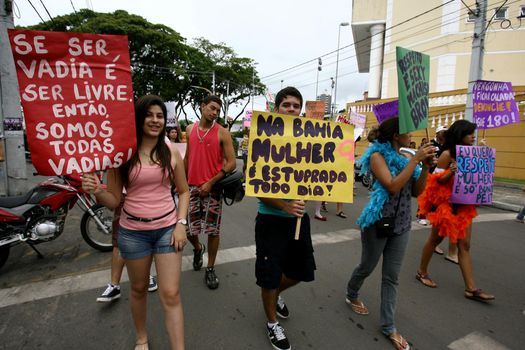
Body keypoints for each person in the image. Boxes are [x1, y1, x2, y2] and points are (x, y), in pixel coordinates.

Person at [82, 95, 189, 350]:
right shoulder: (121, 154)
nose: (155, 120)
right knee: (139, 289)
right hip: (133, 233)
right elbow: (114, 200)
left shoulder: (170, 149)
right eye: (149, 115)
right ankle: (142, 337)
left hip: (167, 230)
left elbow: (184, 191)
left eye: (160, 116)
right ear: (138, 118)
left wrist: (181, 223)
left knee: (171, 294)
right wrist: (96, 189)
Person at [346, 117, 435, 350]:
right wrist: (416, 159)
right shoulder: (377, 157)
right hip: (378, 223)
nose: (412, 137)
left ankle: (389, 326)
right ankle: (351, 292)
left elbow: (416, 191)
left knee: (391, 277)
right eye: (408, 133)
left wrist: (425, 167)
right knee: (367, 266)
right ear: (396, 136)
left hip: (402, 226)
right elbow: (393, 186)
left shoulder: (406, 158)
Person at [254, 87, 316, 350]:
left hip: (299, 219)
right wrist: (285, 206)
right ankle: (271, 324)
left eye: (295, 106)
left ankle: (275, 294)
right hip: (271, 221)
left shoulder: (310, 142)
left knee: (302, 271)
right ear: (276, 108)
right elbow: (258, 188)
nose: (291, 109)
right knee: (269, 275)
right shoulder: (263, 139)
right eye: (286, 105)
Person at [416, 120, 495, 302]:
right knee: (435, 239)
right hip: (447, 206)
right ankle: (422, 272)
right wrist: (451, 172)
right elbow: (435, 182)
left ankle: (471, 288)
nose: (473, 137)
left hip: (464, 205)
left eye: (474, 134)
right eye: (470, 134)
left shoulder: (471, 154)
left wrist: (484, 154)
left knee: (465, 245)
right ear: (460, 135)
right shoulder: (447, 154)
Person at [184, 95, 236, 289]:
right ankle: (198, 248)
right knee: (189, 229)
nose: (214, 113)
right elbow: (188, 157)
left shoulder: (222, 133)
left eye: (218, 110)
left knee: (213, 231)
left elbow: (231, 163)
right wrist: (180, 182)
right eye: (212, 108)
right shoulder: (190, 129)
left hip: (213, 189)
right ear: (202, 106)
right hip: (191, 187)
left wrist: (211, 182)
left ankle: (211, 268)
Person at [96, 200, 159, 302]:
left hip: (149, 202)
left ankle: (145, 275)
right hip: (124, 200)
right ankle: (114, 285)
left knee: (146, 236)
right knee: (119, 240)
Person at [426, 125, 458, 263]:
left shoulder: (461, 152)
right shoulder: (437, 147)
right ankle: (423, 268)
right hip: (438, 188)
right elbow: (437, 179)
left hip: (457, 195)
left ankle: (452, 252)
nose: (472, 136)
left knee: (456, 224)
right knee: (437, 229)